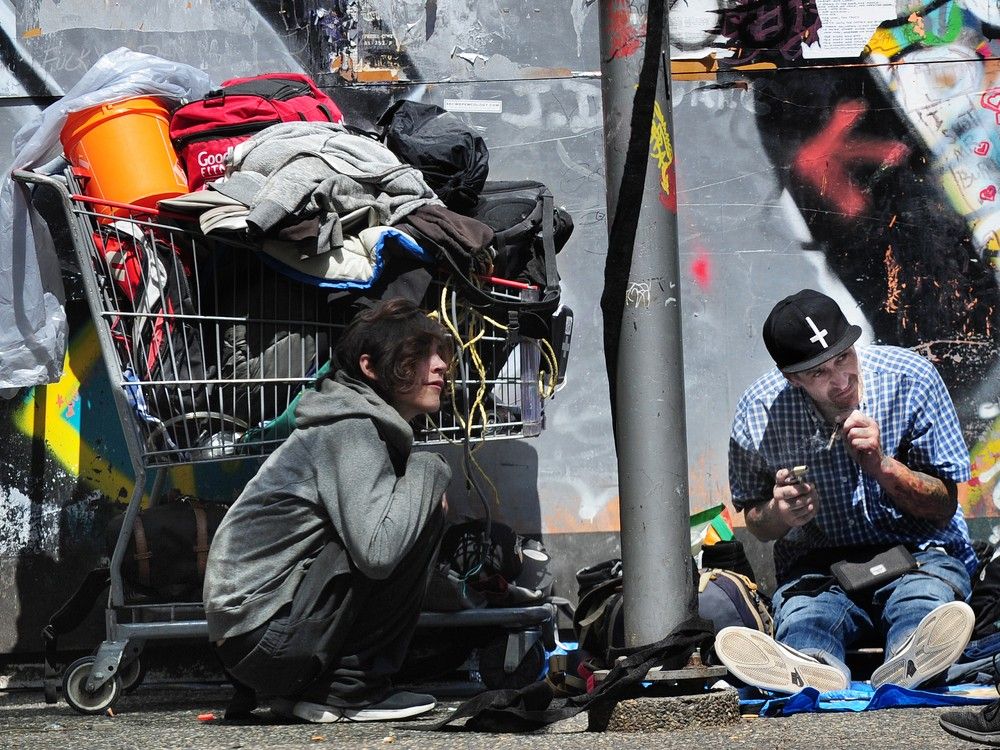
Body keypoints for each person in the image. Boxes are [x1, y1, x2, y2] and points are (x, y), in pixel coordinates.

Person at [714, 288, 977, 695]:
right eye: (819, 373)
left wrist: (883, 466)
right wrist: (780, 513)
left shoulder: (910, 379)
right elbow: (756, 521)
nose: (841, 381)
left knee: (922, 598)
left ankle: (911, 656)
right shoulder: (759, 410)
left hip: (918, 552)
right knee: (806, 614)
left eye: (843, 358)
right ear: (792, 378)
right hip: (820, 566)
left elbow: (943, 505)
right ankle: (811, 668)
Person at [203, 298, 453, 723]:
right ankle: (354, 689)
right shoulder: (350, 430)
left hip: (259, 640)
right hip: (267, 640)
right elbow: (377, 553)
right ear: (370, 368)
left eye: (440, 353)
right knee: (419, 507)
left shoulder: (353, 424)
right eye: (418, 355)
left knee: (410, 506)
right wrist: (430, 469)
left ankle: (316, 690)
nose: (440, 366)